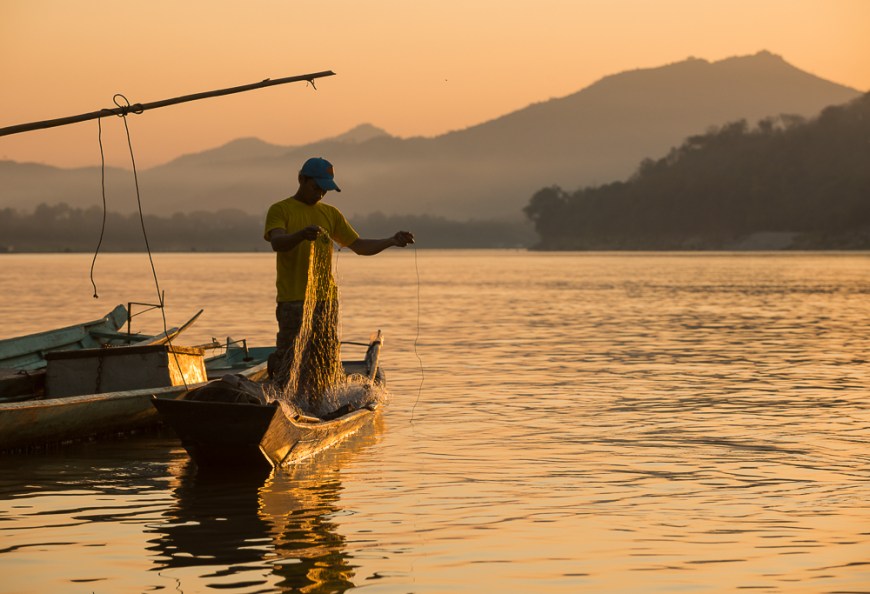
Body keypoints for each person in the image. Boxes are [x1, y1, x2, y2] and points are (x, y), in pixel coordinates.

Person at [264, 157, 414, 403]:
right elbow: (278, 242)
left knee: (325, 359)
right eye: (317, 187)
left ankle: (322, 405)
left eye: (325, 189)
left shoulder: (330, 214)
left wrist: (391, 240)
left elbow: (359, 246)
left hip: (325, 301)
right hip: (293, 301)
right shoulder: (280, 210)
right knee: (290, 361)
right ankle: (284, 407)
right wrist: (301, 235)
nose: (321, 193)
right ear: (301, 179)